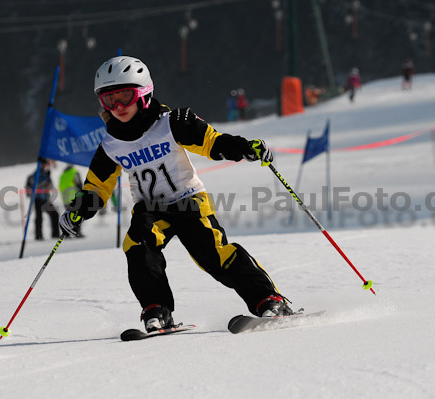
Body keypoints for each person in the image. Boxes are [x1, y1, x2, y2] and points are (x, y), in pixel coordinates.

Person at [59, 55, 294, 333]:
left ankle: (270, 300)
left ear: (144, 93)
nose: (118, 106)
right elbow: (97, 187)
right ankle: (157, 310)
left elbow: (212, 143)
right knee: (137, 245)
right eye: (109, 100)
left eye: (125, 96)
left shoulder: (173, 123)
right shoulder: (111, 145)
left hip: (189, 201)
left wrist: (245, 147)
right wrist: (78, 211)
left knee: (214, 256)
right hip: (151, 209)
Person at [26, 158, 59, 240]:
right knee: (39, 217)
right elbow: (29, 188)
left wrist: (49, 178)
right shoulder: (34, 176)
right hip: (38, 199)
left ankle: (55, 234)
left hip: (45, 199)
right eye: (45, 164)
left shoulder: (45, 174)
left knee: (54, 214)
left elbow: (51, 186)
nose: (46, 166)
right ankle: (38, 235)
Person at [59, 164, 84, 237]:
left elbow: (60, 187)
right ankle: (77, 233)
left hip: (65, 199)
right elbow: (79, 184)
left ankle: (67, 233)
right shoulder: (74, 172)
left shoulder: (62, 175)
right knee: (77, 215)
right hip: (74, 198)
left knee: (68, 217)